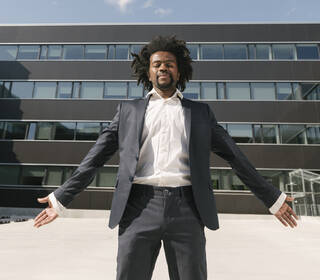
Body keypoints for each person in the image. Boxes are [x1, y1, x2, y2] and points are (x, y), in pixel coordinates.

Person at [34, 35, 298, 280]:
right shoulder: (128, 111)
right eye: (157, 64)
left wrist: (272, 198)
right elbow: (94, 158)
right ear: (148, 72)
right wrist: (61, 198)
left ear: (179, 70)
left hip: (187, 209)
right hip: (137, 207)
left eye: (169, 64)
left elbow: (236, 157)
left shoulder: (200, 113)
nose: (163, 68)